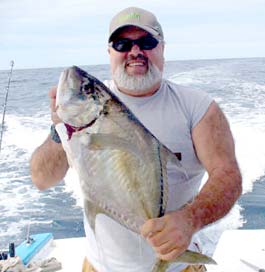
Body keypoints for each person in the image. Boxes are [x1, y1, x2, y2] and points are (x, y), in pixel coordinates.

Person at [30, 6, 242, 272]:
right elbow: (42, 179)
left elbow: (228, 175)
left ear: (162, 48)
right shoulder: (85, 112)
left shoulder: (197, 107)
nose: (135, 52)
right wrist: (60, 130)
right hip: (98, 267)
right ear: (110, 53)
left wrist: (190, 219)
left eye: (147, 42)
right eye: (122, 44)